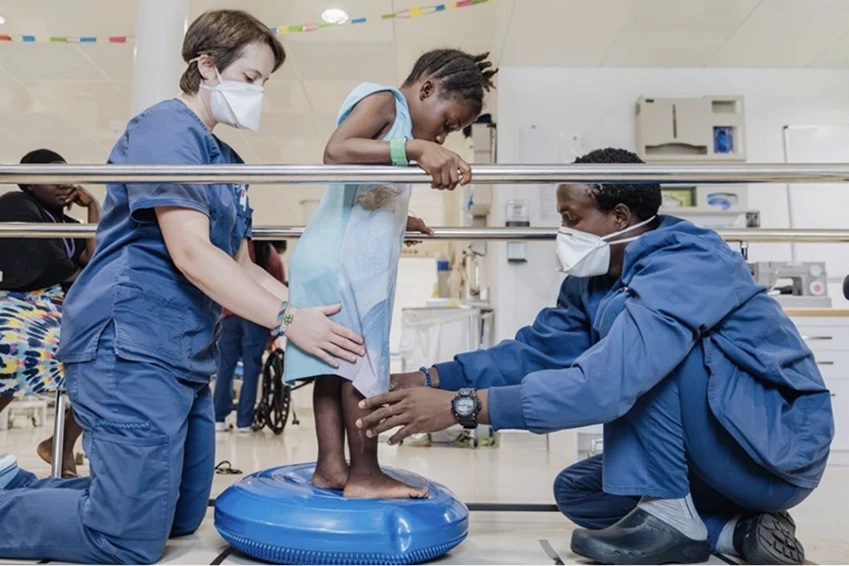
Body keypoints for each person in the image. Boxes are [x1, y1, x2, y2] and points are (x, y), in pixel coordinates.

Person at [0, 10, 363, 565]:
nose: (258, 93)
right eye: (250, 78)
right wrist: (288, 322)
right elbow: (191, 252)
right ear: (207, 66)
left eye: (264, 82)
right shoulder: (165, 129)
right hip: (128, 345)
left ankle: (22, 491)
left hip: (185, 357)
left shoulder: (227, 163)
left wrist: (313, 316)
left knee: (179, 517)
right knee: (127, 539)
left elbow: (241, 264)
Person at [356, 148, 832, 566]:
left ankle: (674, 515)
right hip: (721, 445)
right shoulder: (596, 280)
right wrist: (429, 376)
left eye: (572, 218)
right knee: (578, 492)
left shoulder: (688, 264)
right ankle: (735, 532)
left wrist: (461, 406)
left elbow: (607, 385)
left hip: (772, 451)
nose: (563, 231)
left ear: (620, 216)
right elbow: (536, 351)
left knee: (643, 363)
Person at [285, 49, 497, 499]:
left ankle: (331, 468)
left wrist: (403, 219)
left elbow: (368, 193)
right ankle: (364, 475)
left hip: (329, 257)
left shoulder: (397, 132)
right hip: (342, 263)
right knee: (365, 367)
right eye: (446, 123)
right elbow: (336, 150)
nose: (442, 135)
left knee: (335, 368)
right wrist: (418, 147)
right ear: (426, 90)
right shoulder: (386, 102)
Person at [0, 148, 101, 478]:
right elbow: (48, 264)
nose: (63, 183)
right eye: (51, 176)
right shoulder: (16, 204)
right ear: (28, 183)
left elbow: (95, 262)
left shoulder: (64, 223)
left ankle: (61, 441)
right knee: (17, 350)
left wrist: (94, 208)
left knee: (105, 360)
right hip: (21, 307)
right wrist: (76, 276)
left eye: (67, 175)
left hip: (60, 311)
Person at [213, 240, 286, 432]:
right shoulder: (271, 256)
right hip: (256, 317)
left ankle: (218, 418)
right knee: (251, 369)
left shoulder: (236, 244)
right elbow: (280, 296)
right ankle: (244, 421)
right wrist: (276, 333)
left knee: (224, 368)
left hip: (229, 314)